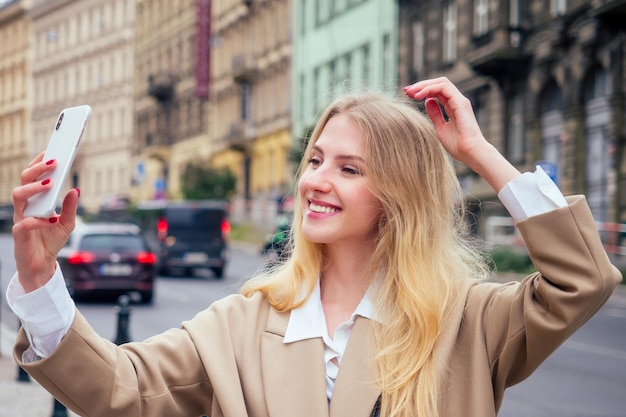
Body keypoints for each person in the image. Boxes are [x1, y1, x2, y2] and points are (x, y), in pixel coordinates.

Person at [7, 77, 622, 417]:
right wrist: (39, 278)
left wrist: (478, 153)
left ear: (399, 197)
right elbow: (119, 390)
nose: (314, 181)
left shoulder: (469, 321)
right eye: (317, 160)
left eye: (350, 169)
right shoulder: (241, 322)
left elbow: (582, 282)